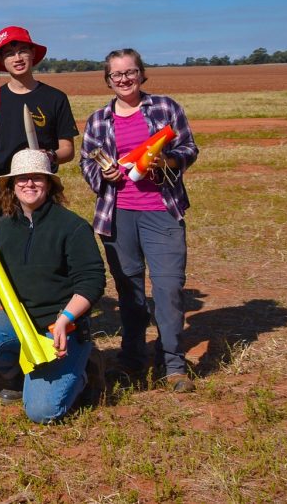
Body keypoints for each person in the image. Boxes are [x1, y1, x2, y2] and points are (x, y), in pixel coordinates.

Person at [79, 48, 199, 392]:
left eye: (130, 72)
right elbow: (87, 163)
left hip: (161, 211)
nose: (124, 79)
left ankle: (173, 364)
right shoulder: (99, 119)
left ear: (141, 74)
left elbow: (189, 148)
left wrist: (167, 163)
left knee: (168, 288)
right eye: (116, 75)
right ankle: (132, 358)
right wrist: (106, 174)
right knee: (129, 292)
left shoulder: (164, 108)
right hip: (118, 217)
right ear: (108, 80)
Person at [0, 150, 105, 423]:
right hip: (20, 322)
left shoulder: (72, 226)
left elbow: (93, 280)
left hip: (61, 328)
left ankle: (85, 370)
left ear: (49, 184)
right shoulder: (2, 226)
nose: (29, 184)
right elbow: (12, 279)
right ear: (12, 186)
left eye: (37, 178)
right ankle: (23, 372)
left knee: (41, 412)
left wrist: (65, 319)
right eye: (22, 178)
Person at [0, 25, 78, 236]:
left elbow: (67, 149)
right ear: (2, 61)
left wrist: (50, 156)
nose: (17, 58)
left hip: (40, 192)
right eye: (9, 53)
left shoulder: (55, 98)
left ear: (33, 54)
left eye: (23, 50)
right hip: (0, 193)